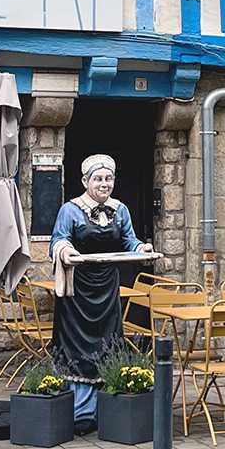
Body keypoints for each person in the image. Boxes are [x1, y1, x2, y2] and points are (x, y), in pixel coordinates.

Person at [49, 154, 155, 434]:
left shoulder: (120, 210)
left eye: (108, 178)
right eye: (98, 179)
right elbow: (58, 239)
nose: (104, 184)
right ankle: (79, 411)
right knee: (78, 347)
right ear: (85, 182)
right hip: (77, 292)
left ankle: (104, 408)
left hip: (107, 287)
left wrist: (140, 248)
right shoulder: (70, 210)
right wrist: (66, 251)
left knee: (108, 343)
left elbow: (128, 240)